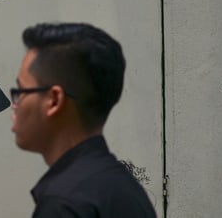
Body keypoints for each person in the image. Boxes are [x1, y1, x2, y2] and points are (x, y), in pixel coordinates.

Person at [11, 22, 156, 217]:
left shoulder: (64, 203)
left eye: (21, 91)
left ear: (54, 100)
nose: (15, 104)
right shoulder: (124, 188)